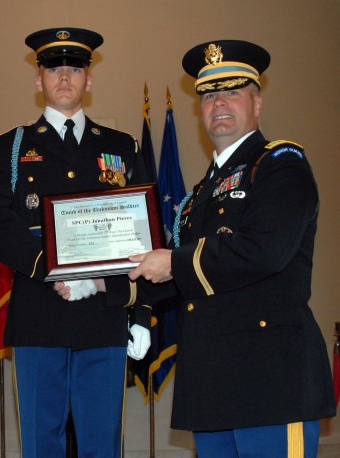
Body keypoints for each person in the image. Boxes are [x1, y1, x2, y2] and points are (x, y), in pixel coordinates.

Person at [63, 39, 336, 457]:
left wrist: (172, 260)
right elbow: (175, 280)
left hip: (272, 383)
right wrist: (99, 283)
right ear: (199, 108)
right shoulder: (195, 198)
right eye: (209, 94)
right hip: (211, 386)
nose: (219, 103)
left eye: (233, 91)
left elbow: (263, 251)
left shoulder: (280, 165)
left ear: (257, 103)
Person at [0, 27, 151, 458]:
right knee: (40, 445)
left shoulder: (120, 147)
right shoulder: (11, 148)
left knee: (101, 444)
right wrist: (48, 266)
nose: (65, 77)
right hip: (39, 316)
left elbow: (144, 233)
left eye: (75, 68)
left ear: (90, 79)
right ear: (39, 81)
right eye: (55, 69)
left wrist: (141, 310)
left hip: (104, 317)